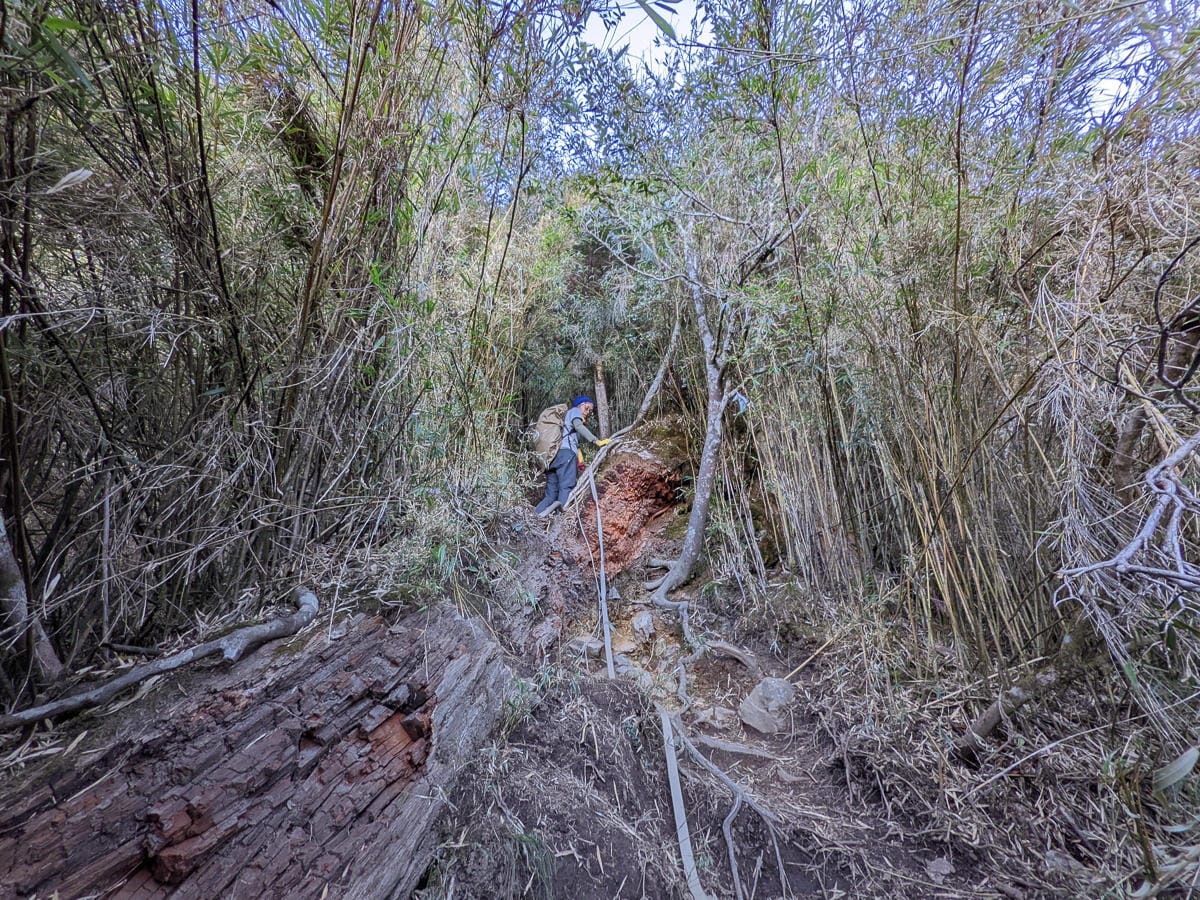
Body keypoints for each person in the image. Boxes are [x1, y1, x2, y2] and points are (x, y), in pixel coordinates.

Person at [535, 395, 609, 517]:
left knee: (550, 495)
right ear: (580, 405)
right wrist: (596, 441)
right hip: (565, 456)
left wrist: (580, 462)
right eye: (587, 408)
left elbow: (574, 443)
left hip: (552, 458)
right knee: (566, 487)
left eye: (590, 411)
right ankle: (560, 520)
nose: (588, 412)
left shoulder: (566, 419)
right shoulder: (574, 411)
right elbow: (578, 427)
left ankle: (533, 518)